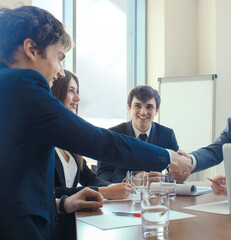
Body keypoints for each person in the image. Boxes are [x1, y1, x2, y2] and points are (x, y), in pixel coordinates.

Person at [0, 6, 191, 239]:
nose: (61, 72)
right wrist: (169, 156)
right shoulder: (22, 83)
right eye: (59, 58)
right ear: (31, 49)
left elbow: (14, 182)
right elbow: (100, 142)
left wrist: (63, 204)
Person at [52, 70, 131, 199]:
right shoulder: (42, 138)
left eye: (77, 91)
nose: (77, 98)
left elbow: (89, 178)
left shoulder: (70, 139)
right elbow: (49, 191)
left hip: (72, 217)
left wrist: (117, 188)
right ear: (56, 92)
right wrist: (102, 191)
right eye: (71, 91)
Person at [97, 85, 179, 183]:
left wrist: (164, 179)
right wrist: (130, 180)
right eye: (137, 106)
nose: (143, 112)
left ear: (157, 110)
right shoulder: (113, 134)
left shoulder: (166, 135)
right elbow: (102, 174)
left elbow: (178, 172)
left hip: (155, 195)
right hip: (122, 195)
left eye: (149, 107)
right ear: (129, 108)